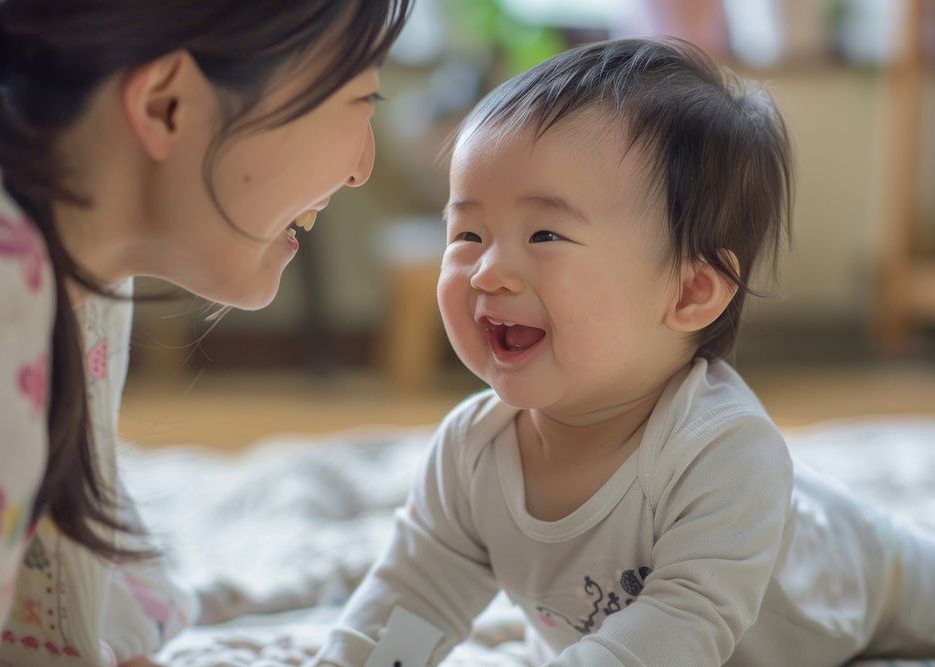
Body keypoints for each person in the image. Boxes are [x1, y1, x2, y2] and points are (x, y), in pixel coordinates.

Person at [312, 38, 935, 667]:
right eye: (468, 233)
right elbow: (417, 598)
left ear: (690, 292)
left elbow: (682, 625)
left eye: (545, 234)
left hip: (866, 576)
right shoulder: (472, 454)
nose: (487, 272)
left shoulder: (723, 452)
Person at [0, 1, 412, 665]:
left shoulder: (69, 256)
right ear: (167, 105)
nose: (362, 165)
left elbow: (49, 600)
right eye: (361, 98)